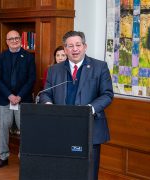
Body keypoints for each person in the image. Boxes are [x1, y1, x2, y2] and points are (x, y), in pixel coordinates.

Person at [40, 31, 114, 180]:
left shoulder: (99, 67)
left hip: (89, 128)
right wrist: (47, 103)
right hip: (61, 129)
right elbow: (45, 93)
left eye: (78, 45)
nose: (75, 49)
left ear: (85, 46)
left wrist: (90, 109)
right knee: (63, 172)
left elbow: (107, 94)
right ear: (65, 49)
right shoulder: (54, 70)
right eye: (70, 46)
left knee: (88, 174)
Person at [0, 30, 36, 168]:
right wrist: (10, 95)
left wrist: (19, 96)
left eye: (16, 38)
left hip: (23, 100)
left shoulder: (28, 57)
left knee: (26, 129)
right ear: (7, 42)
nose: (14, 40)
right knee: (3, 129)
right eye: (11, 39)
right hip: (4, 99)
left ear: (20, 39)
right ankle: (3, 157)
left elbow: (31, 79)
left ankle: (24, 157)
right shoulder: (1, 57)